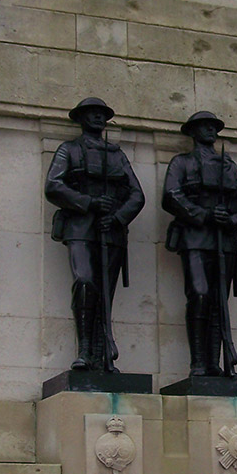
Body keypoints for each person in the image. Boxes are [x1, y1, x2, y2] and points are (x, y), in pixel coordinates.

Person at [45, 97, 145, 371]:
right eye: (92, 113)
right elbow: (53, 185)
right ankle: (84, 349)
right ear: (81, 118)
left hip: (109, 231)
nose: (98, 118)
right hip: (79, 228)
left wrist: (117, 217)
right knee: (85, 282)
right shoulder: (69, 149)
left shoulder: (116, 155)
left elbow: (137, 195)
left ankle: (101, 355)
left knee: (104, 294)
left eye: (102, 114)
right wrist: (88, 202)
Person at [162, 111, 237, 378]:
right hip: (194, 237)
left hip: (224, 240)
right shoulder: (181, 162)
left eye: (213, 127)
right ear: (193, 132)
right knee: (200, 295)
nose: (210, 131)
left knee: (219, 302)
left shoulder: (229, 166)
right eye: (204, 127)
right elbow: (170, 195)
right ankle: (198, 362)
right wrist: (202, 215)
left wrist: (230, 220)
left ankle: (214, 363)